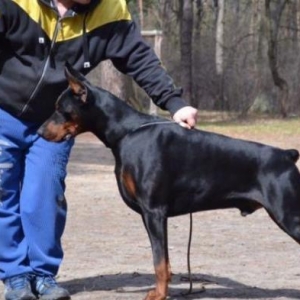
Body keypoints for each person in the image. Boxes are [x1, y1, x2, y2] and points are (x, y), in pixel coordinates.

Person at [0, 0, 198, 299]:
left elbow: (138, 57)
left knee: (43, 195)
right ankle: (15, 276)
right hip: (3, 112)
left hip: (55, 121)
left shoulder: (110, 10)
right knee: (3, 193)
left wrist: (175, 103)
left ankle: (43, 276)